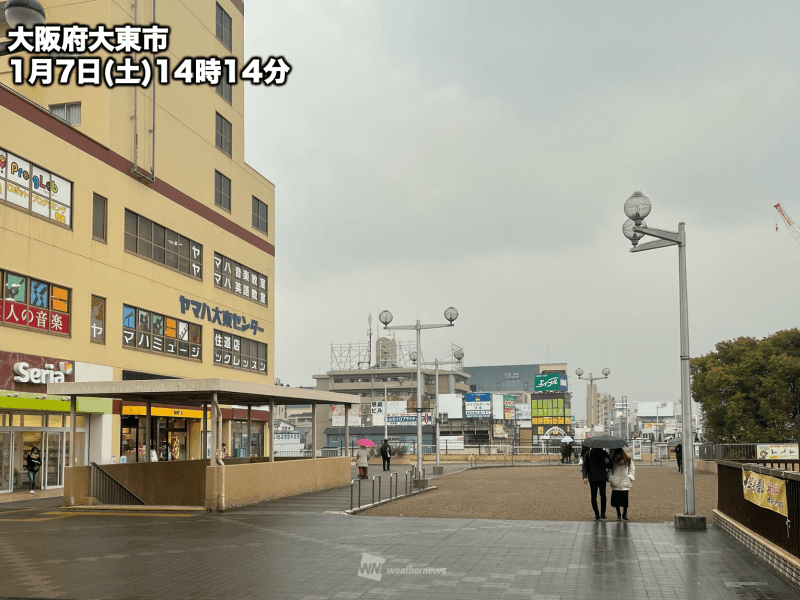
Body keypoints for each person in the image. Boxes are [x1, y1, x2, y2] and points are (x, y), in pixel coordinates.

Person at [581, 447, 611, 520]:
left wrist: (585, 476)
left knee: (594, 496)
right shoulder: (604, 453)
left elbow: (585, 466)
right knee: (603, 495)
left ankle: (597, 514)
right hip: (602, 477)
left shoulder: (588, 454)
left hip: (592, 477)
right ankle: (602, 514)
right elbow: (609, 465)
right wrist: (606, 462)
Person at [609, 448, 635, 521]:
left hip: (625, 482)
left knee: (625, 500)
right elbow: (610, 470)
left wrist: (630, 477)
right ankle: (618, 514)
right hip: (615, 482)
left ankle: (624, 514)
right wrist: (611, 478)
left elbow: (632, 469)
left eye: (619, 453)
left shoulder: (628, 460)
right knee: (616, 501)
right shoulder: (612, 461)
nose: (618, 455)